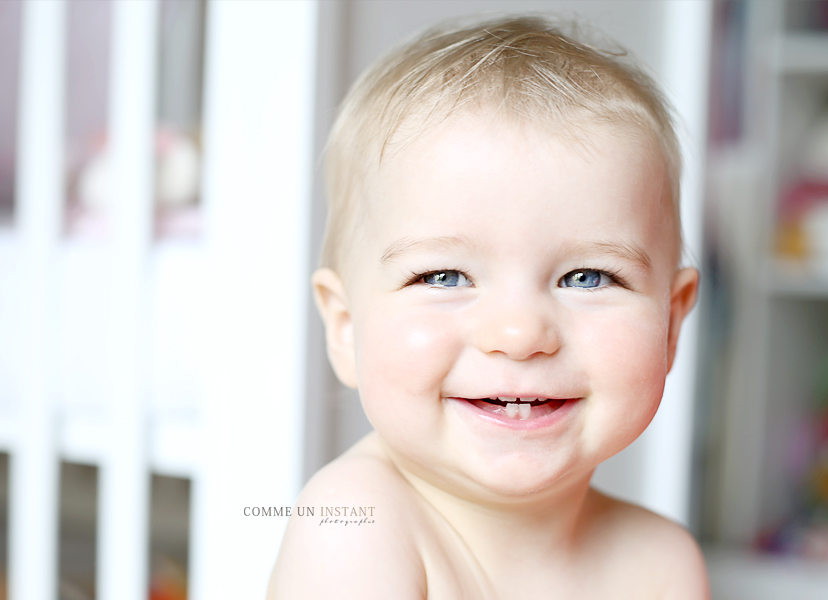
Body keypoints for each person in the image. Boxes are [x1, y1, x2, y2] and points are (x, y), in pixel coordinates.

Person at [268, 15, 706, 599]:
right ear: (346, 330)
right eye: (444, 275)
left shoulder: (662, 564)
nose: (521, 332)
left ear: (671, 324)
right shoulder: (353, 525)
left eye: (587, 276)